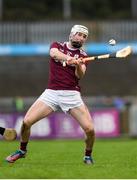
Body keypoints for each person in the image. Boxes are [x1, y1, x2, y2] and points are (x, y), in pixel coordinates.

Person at [6, 25, 95, 165]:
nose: (81, 38)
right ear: (71, 35)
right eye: (79, 34)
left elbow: (80, 75)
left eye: (84, 36)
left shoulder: (83, 56)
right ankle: (22, 151)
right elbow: (54, 54)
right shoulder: (57, 45)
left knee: (90, 129)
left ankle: (88, 155)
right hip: (51, 93)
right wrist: (69, 58)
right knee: (26, 122)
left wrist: (78, 64)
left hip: (71, 94)